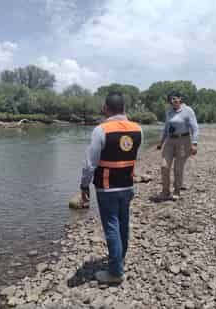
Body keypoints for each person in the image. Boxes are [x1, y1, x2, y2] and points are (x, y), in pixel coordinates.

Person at [80, 91, 142, 284]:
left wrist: (84, 185)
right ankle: (120, 258)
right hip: (128, 185)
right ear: (124, 108)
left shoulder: (101, 130)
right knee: (123, 223)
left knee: (111, 226)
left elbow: (90, 163)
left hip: (107, 187)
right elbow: (133, 156)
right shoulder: (138, 129)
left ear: (106, 108)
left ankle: (115, 272)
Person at [156, 90, 199, 200]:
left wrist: (194, 143)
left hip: (183, 141)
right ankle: (165, 191)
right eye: (171, 99)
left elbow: (194, 128)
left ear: (180, 98)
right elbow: (166, 128)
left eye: (175, 98)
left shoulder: (188, 110)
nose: (174, 100)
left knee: (178, 169)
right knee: (164, 166)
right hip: (170, 141)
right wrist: (161, 142)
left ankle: (177, 191)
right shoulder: (169, 111)